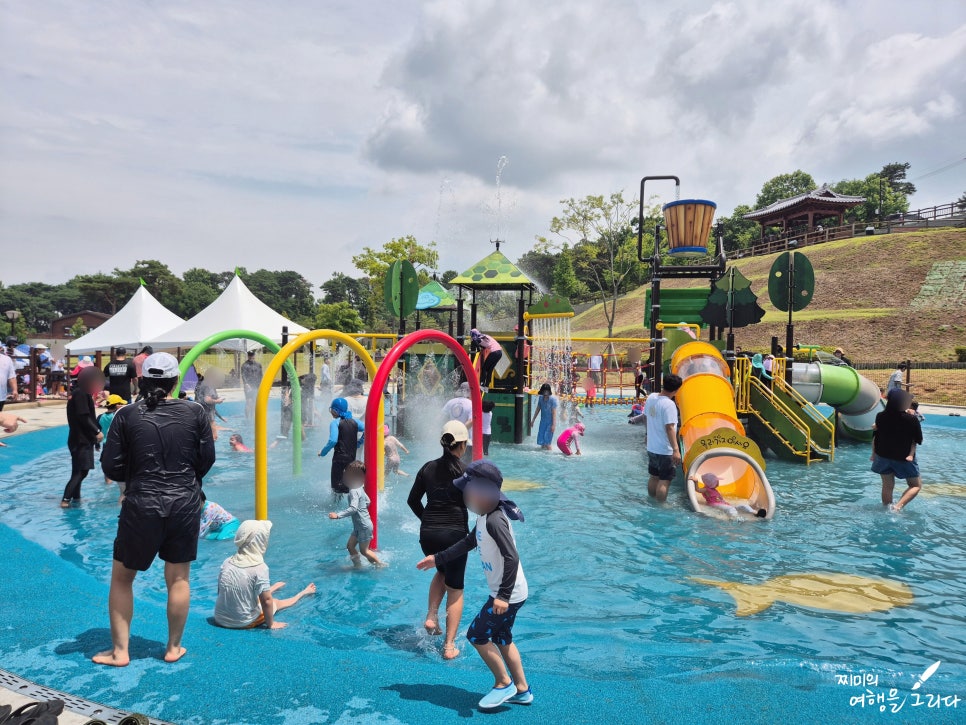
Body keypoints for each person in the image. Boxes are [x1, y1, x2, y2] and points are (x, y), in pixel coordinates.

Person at [93, 352, 215, 667]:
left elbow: (111, 465)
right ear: (176, 382)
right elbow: (206, 461)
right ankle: (173, 647)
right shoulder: (196, 413)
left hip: (141, 503)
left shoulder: (126, 415)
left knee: (122, 578)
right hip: (185, 502)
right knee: (178, 579)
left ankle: (120, 652)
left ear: (141, 380)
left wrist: (137, 477)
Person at [416, 460, 532, 710]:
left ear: (483, 493)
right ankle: (522, 690)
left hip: (507, 595)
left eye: (468, 491)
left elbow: (512, 557)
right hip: (511, 593)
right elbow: (467, 543)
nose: (465, 496)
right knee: (502, 638)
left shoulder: (495, 521)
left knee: (476, 635)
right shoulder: (484, 518)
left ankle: (504, 683)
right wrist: (437, 558)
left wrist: (502, 596)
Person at [407, 421, 470, 659]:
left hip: (428, 535)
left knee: (441, 572)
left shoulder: (427, 468)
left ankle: (432, 617)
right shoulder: (466, 472)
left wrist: (428, 521)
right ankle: (449, 646)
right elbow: (476, 504)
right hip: (454, 536)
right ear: (462, 445)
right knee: (455, 588)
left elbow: (412, 501)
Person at [214, 520, 316, 629]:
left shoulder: (227, 562)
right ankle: (303, 593)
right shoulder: (259, 568)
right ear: (260, 541)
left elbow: (222, 591)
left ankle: (272, 588)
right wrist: (271, 624)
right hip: (242, 622)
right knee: (275, 602)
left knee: (248, 595)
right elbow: (267, 601)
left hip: (219, 618)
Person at [871, 388, 924, 513]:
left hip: (882, 456)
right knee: (915, 485)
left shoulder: (880, 416)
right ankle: (897, 507)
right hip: (903, 457)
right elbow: (919, 439)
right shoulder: (911, 419)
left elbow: (876, 435)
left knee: (887, 486)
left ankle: (886, 509)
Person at [62, 366, 106, 508]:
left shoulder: (81, 392)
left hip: (80, 438)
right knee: (82, 471)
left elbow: (88, 417)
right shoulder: (80, 393)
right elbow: (84, 416)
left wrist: (95, 439)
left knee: (79, 470)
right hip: (81, 439)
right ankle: (65, 500)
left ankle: (76, 498)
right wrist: (96, 432)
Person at [327, 460, 384, 567]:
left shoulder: (354, 491)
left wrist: (338, 515)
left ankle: (380, 565)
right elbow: (368, 501)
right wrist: (362, 511)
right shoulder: (359, 488)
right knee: (350, 546)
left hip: (363, 526)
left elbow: (353, 508)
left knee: (364, 551)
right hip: (360, 525)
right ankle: (358, 566)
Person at [645, 374, 683, 502]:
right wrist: (676, 450)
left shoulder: (651, 398)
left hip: (652, 446)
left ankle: (651, 500)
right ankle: (660, 505)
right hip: (665, 449)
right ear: (676, 390)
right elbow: (670, 428)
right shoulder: (669, 405)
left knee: (654, 476)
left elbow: (646, 417)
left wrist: (647, 435)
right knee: (665, 480)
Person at [318, 397, 364, 496]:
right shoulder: (355, 422)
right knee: (350, 485)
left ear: (335, 411)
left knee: (336, 487)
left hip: (339, 459)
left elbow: (332, 441)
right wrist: (359, 442)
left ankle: (335, 508)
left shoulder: (335, 423)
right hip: (352, 459)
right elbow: (368, 429)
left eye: (331, 410)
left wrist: (323, 452)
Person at [688, 472, 766, 518]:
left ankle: (755, 513)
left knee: (743, 506)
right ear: (712, 483)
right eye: (716, 481)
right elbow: (698, 490)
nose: (718, 482)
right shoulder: (706, 489)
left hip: (722, 503)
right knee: (730, 509)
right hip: (714, 504)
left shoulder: (713, 489)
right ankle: (736, 519)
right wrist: (696, 482)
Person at [98, 394, 126, 486]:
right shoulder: (118, 416)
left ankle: (108, 484)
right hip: (118, 445)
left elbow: (96, 431)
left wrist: (96, 444)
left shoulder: (100, 417)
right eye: (121, 404)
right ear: (117, 405)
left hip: (106, 445)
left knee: (107, 466)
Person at [529, 383, 557, 450]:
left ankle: (550, 455)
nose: (545, 395)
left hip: (550, 423)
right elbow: (537, 409)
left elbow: (554, 413)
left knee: (547, 443)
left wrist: (553, 425)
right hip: (543, 422)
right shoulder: (541, 398)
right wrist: (533, 420)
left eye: (546, 393)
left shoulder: (553, 400)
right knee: (542, 443)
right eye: (544, 392)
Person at [240, 350, 263, 421]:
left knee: (254, 402)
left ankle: (252, 417)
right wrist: (246, 384)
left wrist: (262, 384)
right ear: (248, 356)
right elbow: (243, 375)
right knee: (249, 402)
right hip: (249, 386)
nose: (251, 356)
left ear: (254, 355)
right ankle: (247, 418)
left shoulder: (258, 365)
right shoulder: (244, 365)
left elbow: (261, 375)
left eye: (252, 355)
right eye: (250, 355)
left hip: (257, 385)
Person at [0, 345, 16, 412]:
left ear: (0, 348)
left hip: (1, 395)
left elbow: (11, 376)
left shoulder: (7, 359)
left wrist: (15, 390)